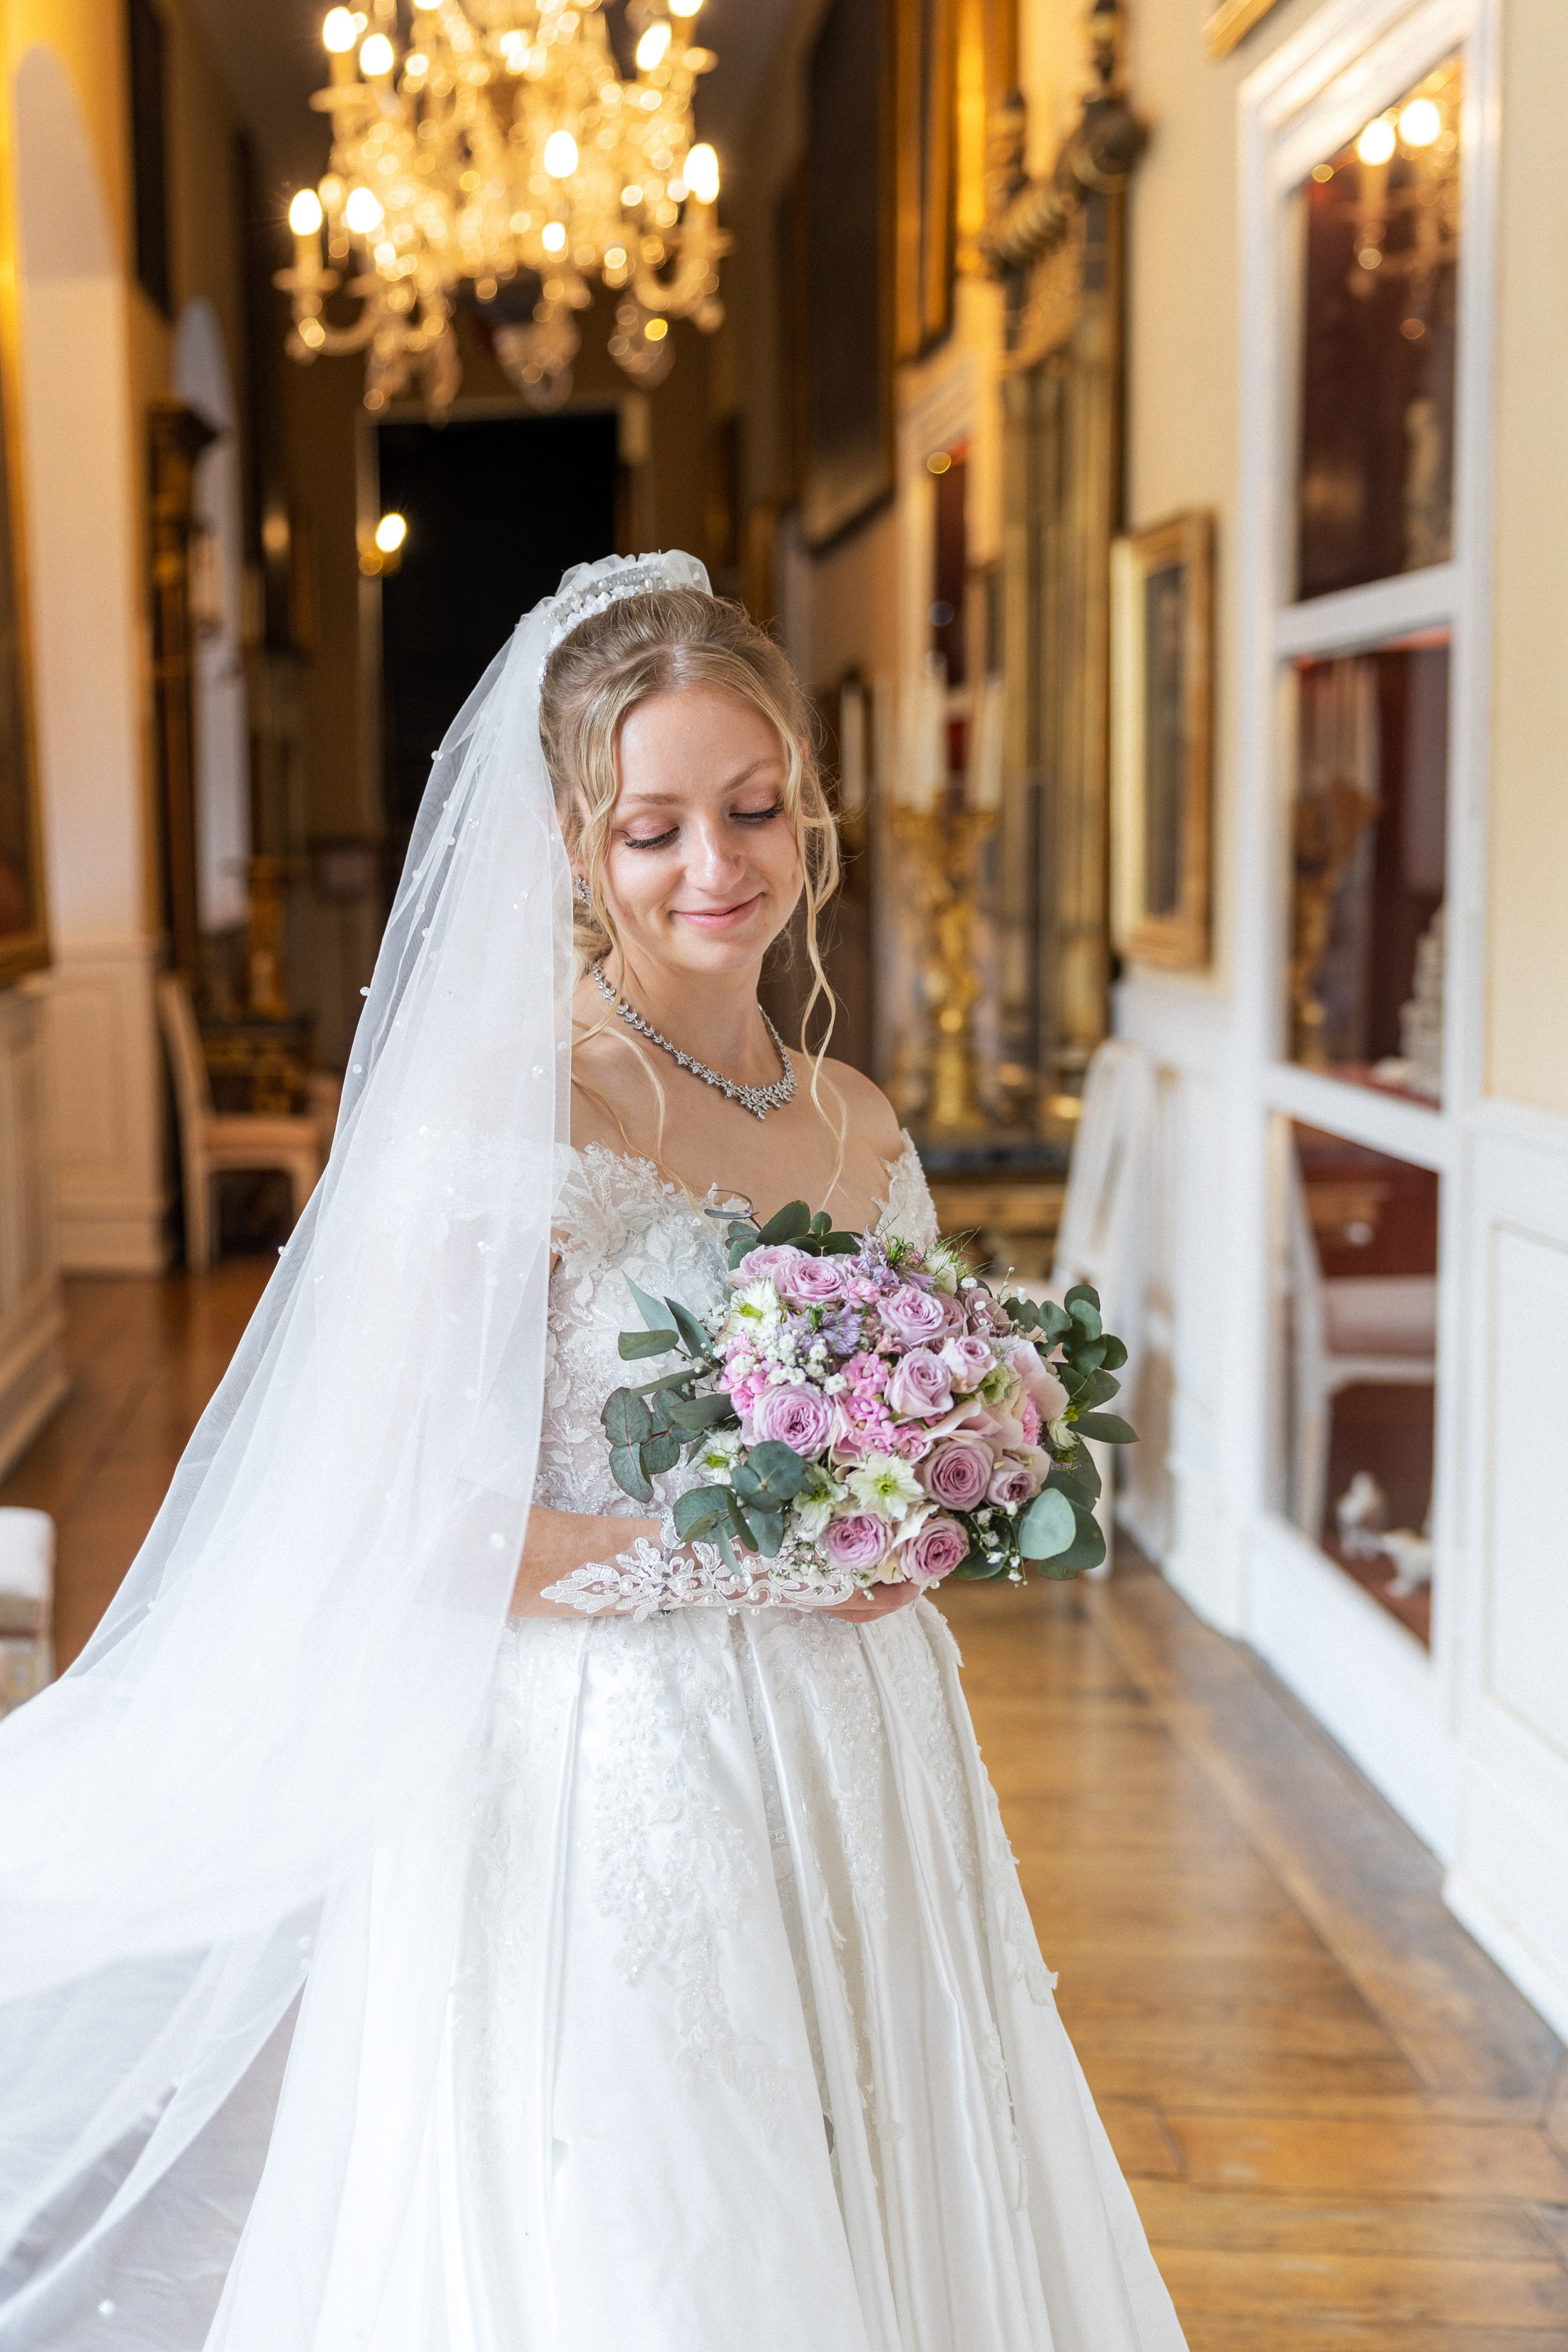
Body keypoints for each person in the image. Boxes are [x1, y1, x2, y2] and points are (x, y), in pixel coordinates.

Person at [0, 554, 1186, 2351]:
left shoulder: (853, 1120)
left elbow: (920, 1432)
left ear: (807, 812)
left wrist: (956, 1476)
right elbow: (415, 1529)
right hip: (609, 1763)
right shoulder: (513, 1112)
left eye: (753, 809)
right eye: (654, 828)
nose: (715, 868)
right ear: (571, 839)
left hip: (868, 1746)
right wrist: (750, 1559)